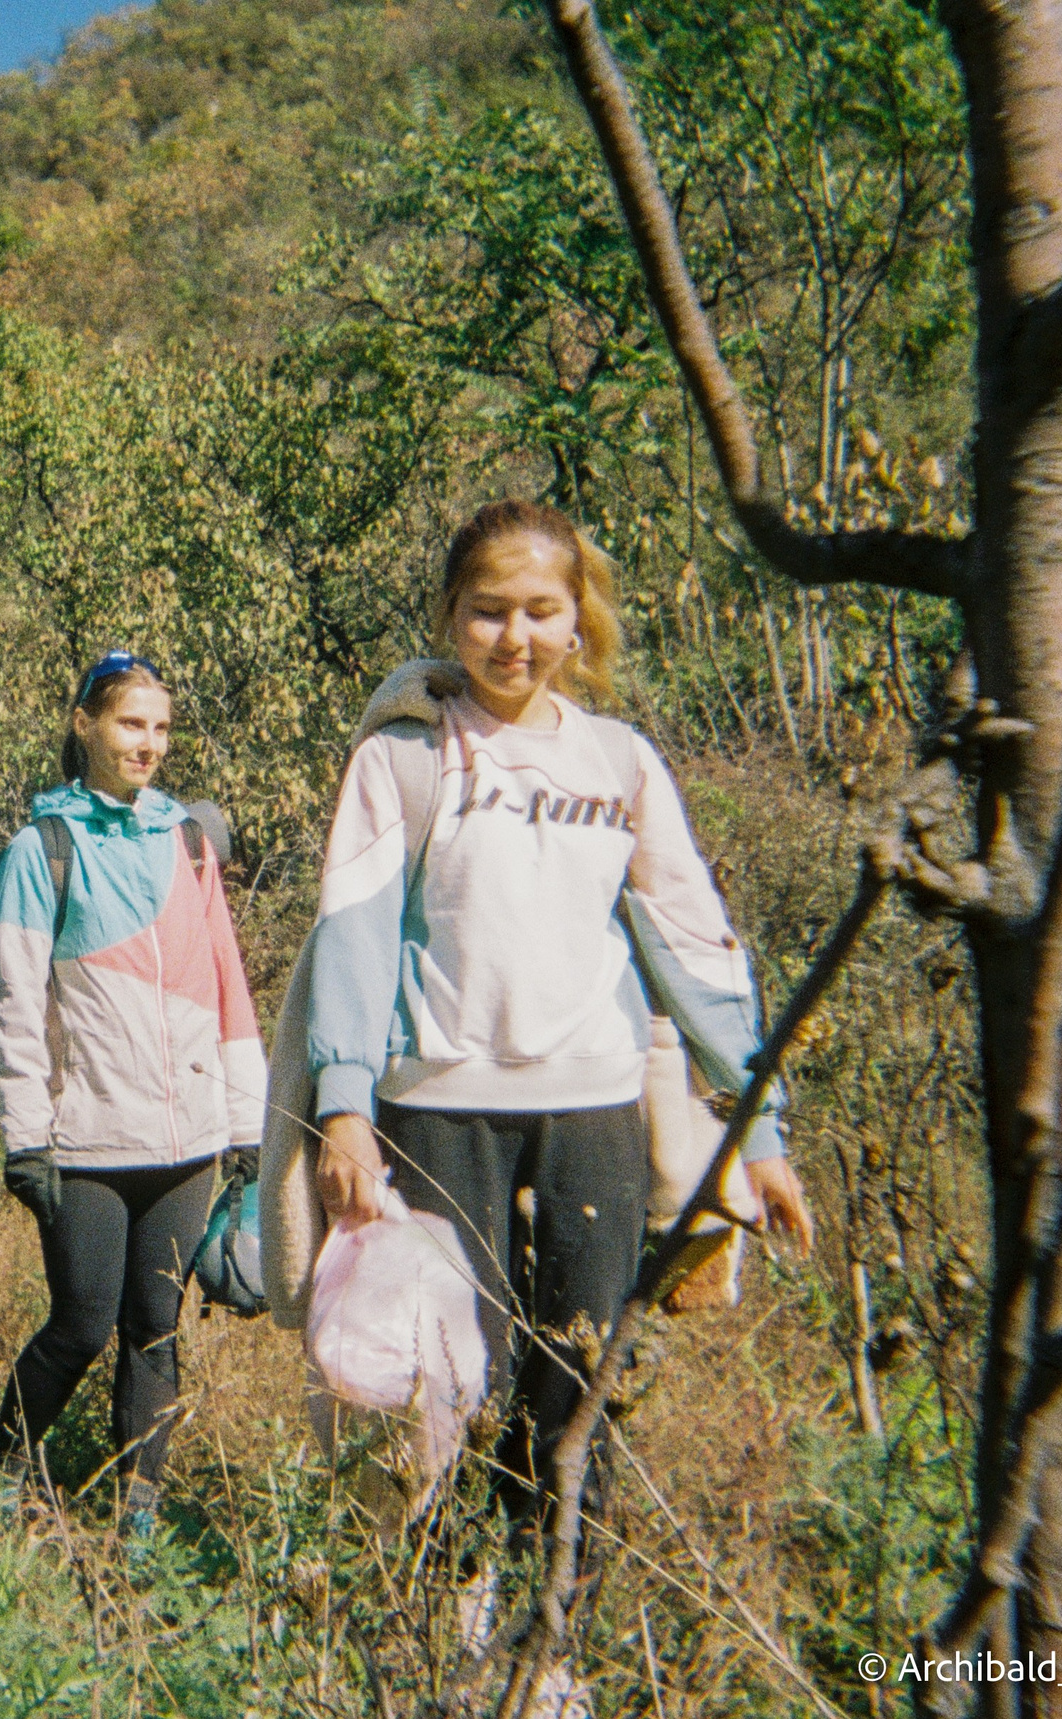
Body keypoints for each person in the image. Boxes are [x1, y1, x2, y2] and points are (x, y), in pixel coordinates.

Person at [303, 498, 814, 1523]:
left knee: (578, 1382)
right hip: (438, 1106)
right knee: (445, 1381)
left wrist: (757, 1128)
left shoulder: (618, 762)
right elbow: (353, 934)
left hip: (593, 1109)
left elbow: (692, 943)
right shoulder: (403, 758)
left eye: (541, 611)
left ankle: (553, 1638)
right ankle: (453, 1623)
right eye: (489, 611)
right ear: (451, 615)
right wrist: (346, 1104)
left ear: (577, 622)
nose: (515, 637)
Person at [0, 649, 267, 1538]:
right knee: (81, 1326)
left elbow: (230, 985)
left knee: (157, 1327)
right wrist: (26, 1135)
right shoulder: (45, 848)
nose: (149, 743)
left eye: (161, 727)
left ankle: (134, 1519)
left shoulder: (188, 841)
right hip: (89, 1138)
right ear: (85, 725)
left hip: (187, 1140)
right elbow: (17, 1003)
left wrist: (245, 1117)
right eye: (130, 723)